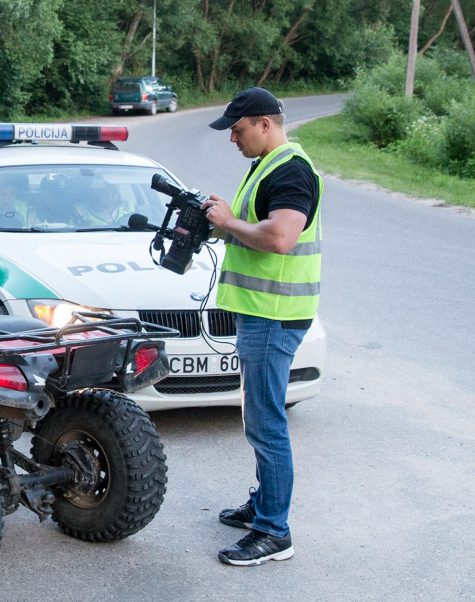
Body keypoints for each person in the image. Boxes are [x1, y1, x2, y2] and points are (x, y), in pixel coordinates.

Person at [201, 87, 323, 567]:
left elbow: (280, 237)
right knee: (259, 418)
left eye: (238, 128)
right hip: (263, 311)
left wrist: (230, 224)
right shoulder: (267, 165)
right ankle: (265, 505)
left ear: (264, 123)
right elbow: (259, 226)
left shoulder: (291, 170)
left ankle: (274, 531)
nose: (232, 137)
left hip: (274, 314)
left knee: (267, 423)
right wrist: (223, 220)